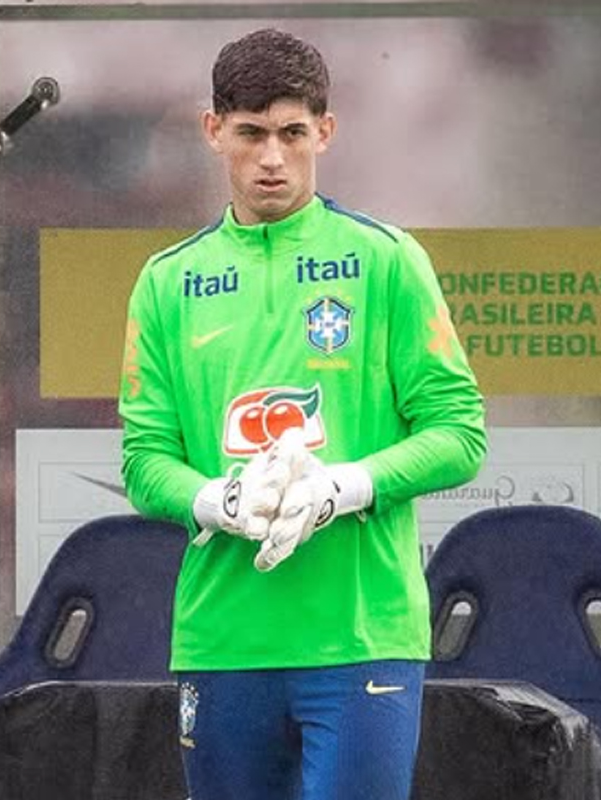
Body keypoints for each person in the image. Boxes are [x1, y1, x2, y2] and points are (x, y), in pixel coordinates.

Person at [119, 29, 486, 800]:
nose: (272, 159)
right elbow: (144, 458)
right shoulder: (167, 282)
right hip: (222, 638)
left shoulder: (386, 260)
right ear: (213, 130)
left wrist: (342, 487)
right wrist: (214, 501)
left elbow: (459, 433)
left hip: (360, 637)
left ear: (326, 129)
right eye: (250, 134)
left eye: (291, 133)